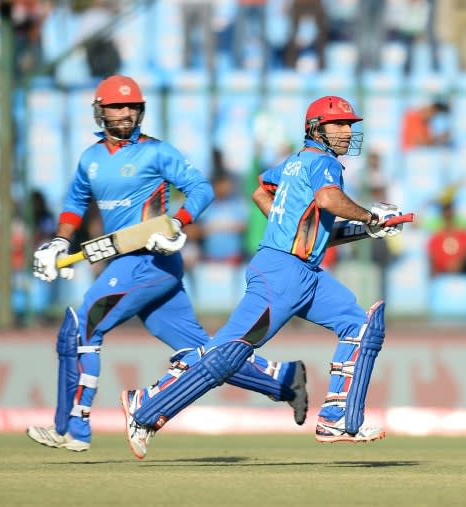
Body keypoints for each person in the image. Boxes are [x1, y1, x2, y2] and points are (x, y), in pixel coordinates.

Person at [25, 75, 307, 452]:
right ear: (100, 111)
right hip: (130, 263)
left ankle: (74, 427)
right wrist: (60, 240)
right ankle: (284, 381)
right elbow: (75, 203)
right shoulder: (90, 159)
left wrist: (177, 222)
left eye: (132, 106)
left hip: (150, 260)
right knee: (202, 354)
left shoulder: (157, 152)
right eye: (117, 106)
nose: (125, 113)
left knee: (82, 328)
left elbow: (201, 189)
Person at [119, 95, 408, 460]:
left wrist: (366, 229)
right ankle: (145, 407)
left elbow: (262, 193)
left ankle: (336, 418)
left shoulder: (293, 164)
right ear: (316, 129)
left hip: (302, 272)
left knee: (360, 325)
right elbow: (329, 202)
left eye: (350, 125)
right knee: (227, 354)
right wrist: (369, 217)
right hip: (283, 274)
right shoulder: (323, 164)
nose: (347, 131)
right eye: (339, 125)